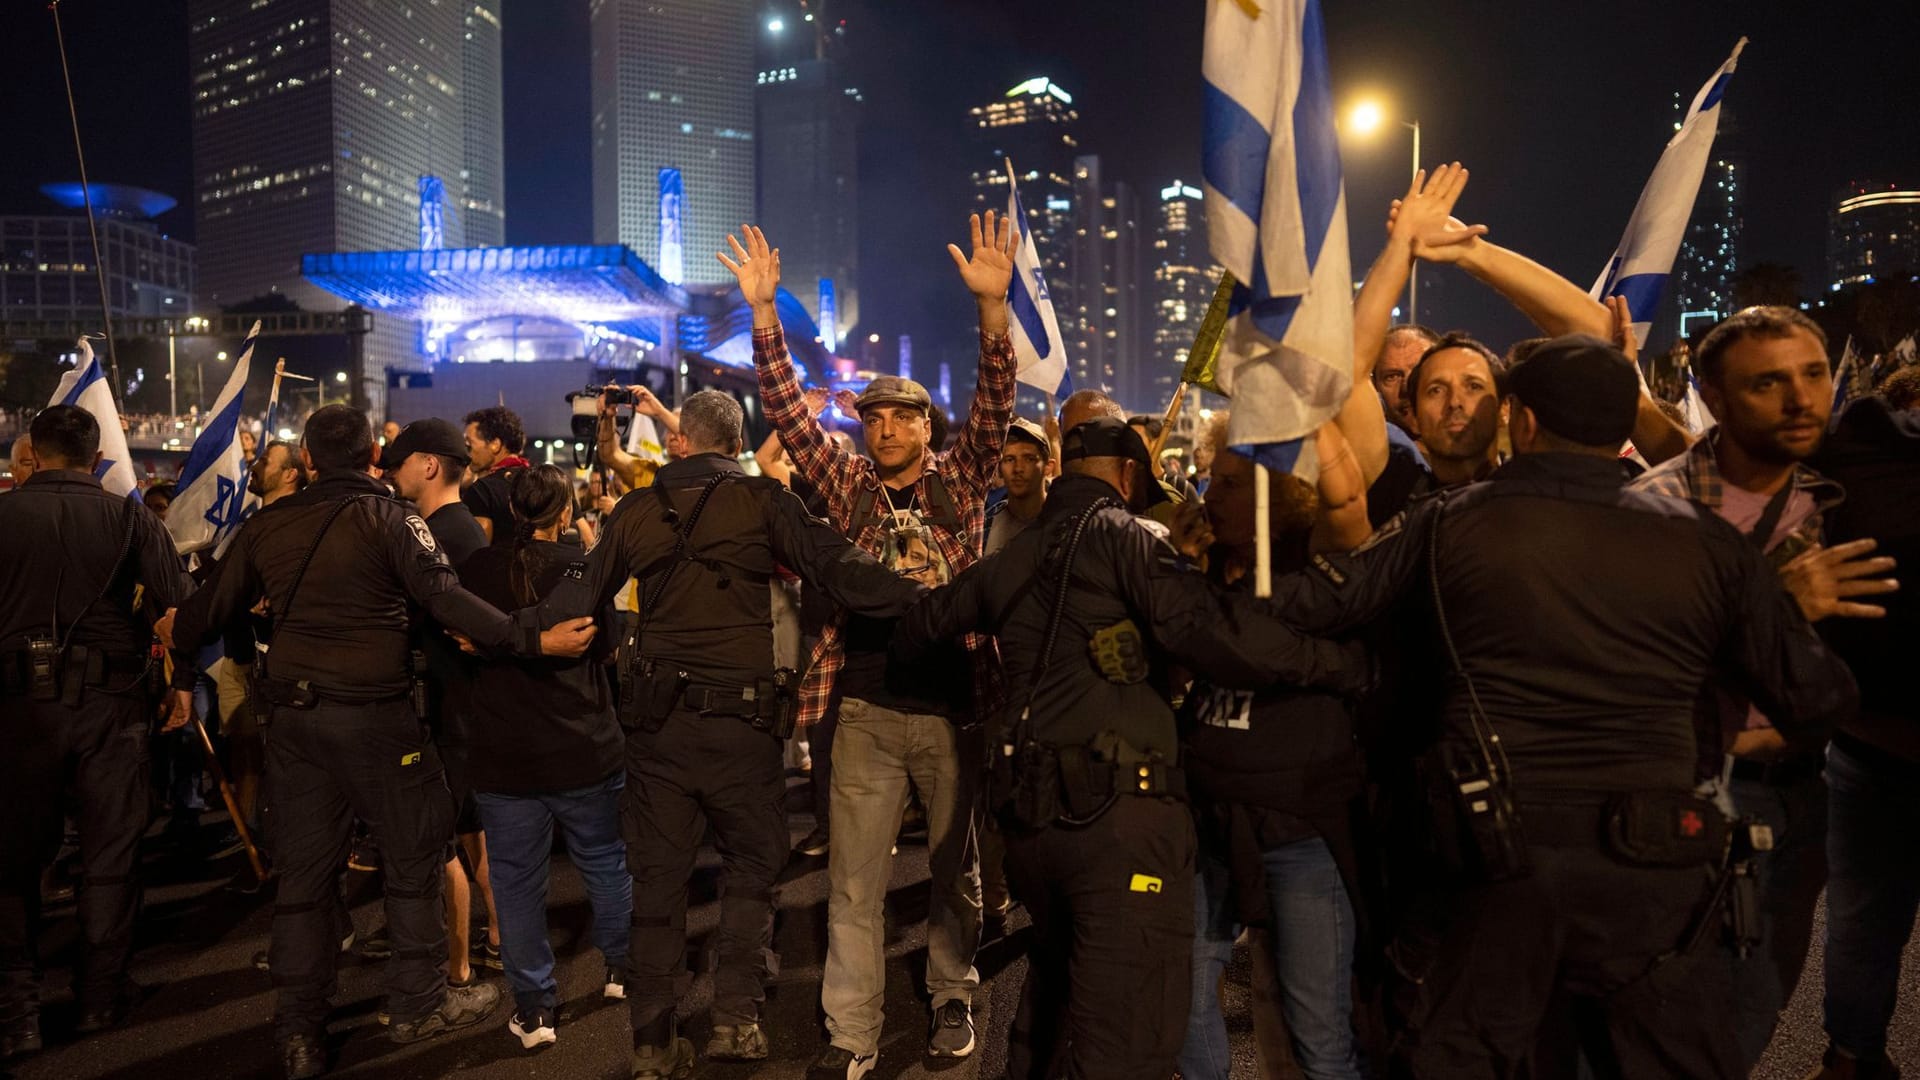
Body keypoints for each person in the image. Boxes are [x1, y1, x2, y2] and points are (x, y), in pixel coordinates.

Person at [1259, 335, 1859, 1077]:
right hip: (1658, 866)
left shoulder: (1449, 521)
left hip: (1497, 860)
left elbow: (1317, 606)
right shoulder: (1708, 543)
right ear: (1620, 427)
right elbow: (1817, 698)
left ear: (1523, 421)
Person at [893, 416, 1373, 1080]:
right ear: (1128, 477)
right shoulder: (1126, 539)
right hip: (1117, 824)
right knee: (1129, 1027)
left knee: (1058, 996)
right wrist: (1340, 667)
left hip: (1033, 826)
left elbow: (920, 627)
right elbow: (1206, 631)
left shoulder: (1011, 557)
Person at [164, 405, 595, 1080]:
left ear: (307, 461)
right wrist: (531, 639)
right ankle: (418, 1006)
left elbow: (196, 617)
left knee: (305, 881)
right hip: (379, 718)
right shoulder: (396, 522)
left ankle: (301, 1032)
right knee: (414, 861)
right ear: (372, 456)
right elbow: (448, 601)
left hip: (298, 726)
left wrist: (183, 680)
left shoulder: (267, 526)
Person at [525, 389, 924, 1078]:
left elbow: (577, 600)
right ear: (736, 443)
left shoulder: (638, 510)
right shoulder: (766, 505)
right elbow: (840, 568)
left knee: (658, 882)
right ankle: (736, 1021)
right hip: (742, 728)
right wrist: (928, 600)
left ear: (681, 443)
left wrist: (514, 634)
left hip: (657, 734)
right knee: (751, 871)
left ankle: (652, 1040)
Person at [735, 216, 1017, 1078]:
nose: (886, 429)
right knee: (852, 887)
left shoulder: (962, 484)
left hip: (952, 706)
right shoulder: (845, 482)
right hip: (860, 710)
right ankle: (852, 1036)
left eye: (902, 418)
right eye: (875, 417)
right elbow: (785, 407)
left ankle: (952, 997)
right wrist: (765, 318)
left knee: (953, 875)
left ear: (927, 429)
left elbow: (995, 406)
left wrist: (994, 312)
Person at [1631, 306, 1896, 1066]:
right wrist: (1772, 609)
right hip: (1693, 790)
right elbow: (1631, 679)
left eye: (1813, 374)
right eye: (1768, 383)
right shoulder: (1652, 512)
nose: (1801, 399)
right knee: (1668, 1005)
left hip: (1809, 789)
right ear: (1712, 396)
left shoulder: (1842, 501)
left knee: (1756, 1003)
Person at [1178, 413, 1375, 1080]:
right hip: (1210, 825)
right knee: (1185, 992)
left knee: (1318, 1031)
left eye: (1231, 484)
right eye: (1211, 478)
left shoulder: (1314, 573)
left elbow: (1349, 502)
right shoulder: (1197, 569)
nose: (1209, 495)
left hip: (1300, 831)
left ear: (1277, 492)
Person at [0, 405, 195, 1060]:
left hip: (17, 710)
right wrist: (182, 684)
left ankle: (18, 1011)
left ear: (37, 452)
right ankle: (97, 998)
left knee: (14, 861)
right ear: (94, 456)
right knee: (109, 854)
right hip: (111, 705)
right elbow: (177, 613)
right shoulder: (129, 517)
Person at [459, 464, 632, 1052]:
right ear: (564, 513)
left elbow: (459, 640)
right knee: (605, 863)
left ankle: (535, 1009)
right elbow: (608, 647)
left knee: (515, 882)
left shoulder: (476, 570)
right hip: (582, 744)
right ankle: (620, 970)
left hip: (506, 752)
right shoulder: (580, 569)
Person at [1805, 386, 1917, 1080]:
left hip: (1867, 743)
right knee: (1860, 924)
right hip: (1870, 747)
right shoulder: (1859, 449)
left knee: (1861, 923)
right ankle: (1850, 1058)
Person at [383, 419, 503, 985]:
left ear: (428, 465)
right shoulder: (459, 528)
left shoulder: (440, 536)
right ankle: (500, 939)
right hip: (467, 710)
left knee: (441, 841)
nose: (389, 472)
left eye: (399, 461)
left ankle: (456, 970)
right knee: (473, 833)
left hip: (451, 709)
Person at [462, 405, 531, 545]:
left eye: (469, 445)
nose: (466, 454)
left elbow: (478, 551)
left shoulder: (482, 490)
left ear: (495, 444)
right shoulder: (544, 480)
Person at [984, 416, 1049, 556]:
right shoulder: (986, 524)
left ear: (1048, 467)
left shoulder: (1067, 521)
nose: (1018, 468)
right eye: (1009, 459)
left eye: (1029, 459)